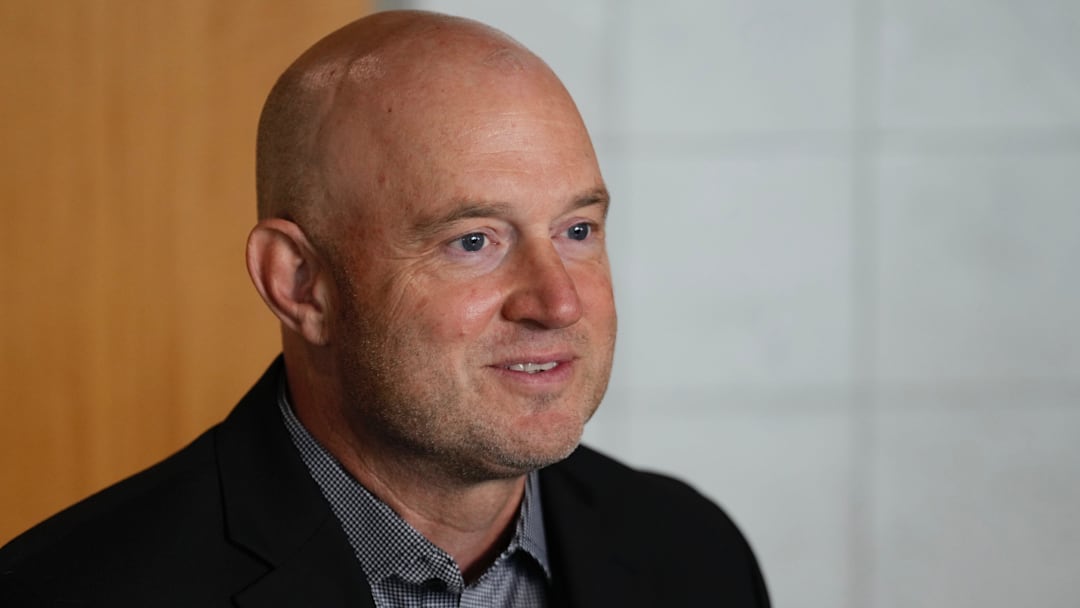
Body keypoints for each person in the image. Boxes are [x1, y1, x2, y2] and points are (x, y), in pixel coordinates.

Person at [0, 10, 769, 607]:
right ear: (301, 282)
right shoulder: (72, 590)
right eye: (474, 241)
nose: (558, 300)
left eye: (576, 230)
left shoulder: (692, 554)